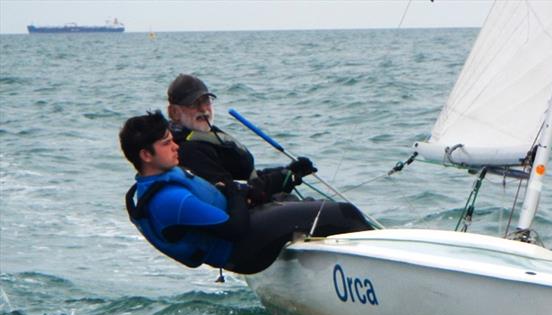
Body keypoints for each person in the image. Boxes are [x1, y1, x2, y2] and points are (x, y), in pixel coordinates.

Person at [119, 111, 372, 274]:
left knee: (292, 202)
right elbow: (235, 228)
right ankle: (383, 266)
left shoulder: (161, 179)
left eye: (172, 139)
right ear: (146, 155)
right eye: (166, 143)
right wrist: (232, 193)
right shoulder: (171, 201)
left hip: (246, 236)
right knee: (345, 213)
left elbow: (239, 193)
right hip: (245, 250)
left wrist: (286, 175)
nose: (176, 146)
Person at [166, 73, 314, 205]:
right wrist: (282, 178)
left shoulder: (206, 135)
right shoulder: (187, 150)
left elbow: (245, 177)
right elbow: (235, 192)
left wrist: (289, 172)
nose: (203, 109)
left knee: (312, 205)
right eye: (194, 104)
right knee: (320, 211)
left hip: (252, 206)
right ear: (174, 112)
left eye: (206, 101)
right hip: (239, 216)